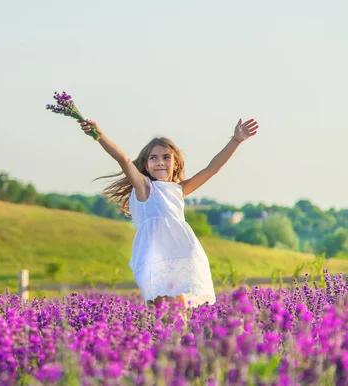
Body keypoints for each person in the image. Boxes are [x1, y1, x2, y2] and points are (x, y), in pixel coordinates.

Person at [79, 118, 259, 310]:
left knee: (174, 317)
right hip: (154, 258)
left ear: (175, 163)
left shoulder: (178, 190)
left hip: (180, 257)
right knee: (170, 316)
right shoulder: (144, 188)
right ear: (146, 165)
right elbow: (123, 159)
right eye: (153, 158)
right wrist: (99, 135)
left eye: (166, 157)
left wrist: (236, 141)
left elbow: (212, 169)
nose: (160, 162)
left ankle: (171, 339)